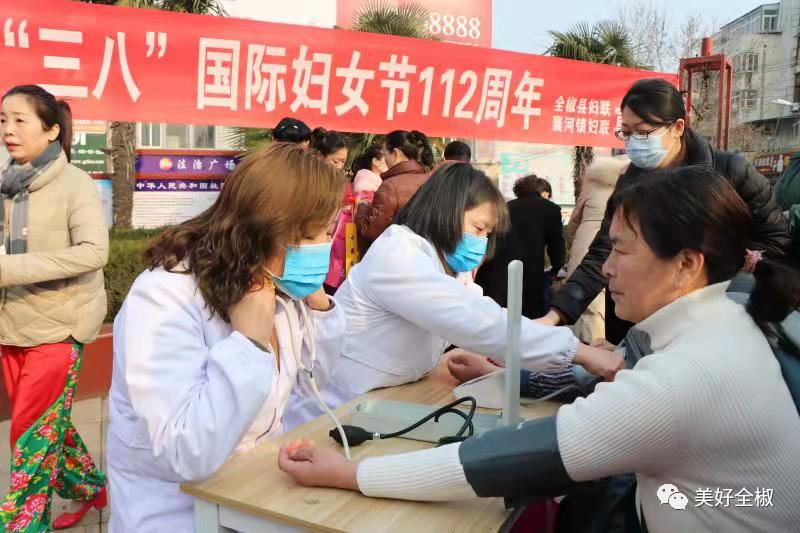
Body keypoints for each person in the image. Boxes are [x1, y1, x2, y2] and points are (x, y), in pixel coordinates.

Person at [278, 166, 800, 533]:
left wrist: (353, 476)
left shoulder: (688, 371)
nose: (606, 268)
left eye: (620, 249)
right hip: (345, 404)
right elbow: (485, 324)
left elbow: (508, 461)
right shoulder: (729, 317)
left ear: (687, 263)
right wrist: (569, 357)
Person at [107, 143, 346, 531]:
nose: (323, 246)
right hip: (175, 511)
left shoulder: (272, 284)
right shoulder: (164, 296)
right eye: (313, 233)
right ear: (266, 229)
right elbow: (186, 451)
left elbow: (314, 379)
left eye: (329, 231)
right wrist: (249, 344)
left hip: (253, 492)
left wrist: (320, 308)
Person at [284, 163, 623, 429]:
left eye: (487, 233)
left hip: (373, 403)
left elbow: (479, 310)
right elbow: (475, 320)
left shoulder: (440, 263)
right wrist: (578, 352)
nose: (481, 241)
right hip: (329, 413)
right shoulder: (399, 256)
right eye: (478, 228)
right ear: (446, 211)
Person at [542, 78, 791, 344]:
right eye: (626, 133)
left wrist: (732, 264)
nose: (633, 142)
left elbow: (779, 241)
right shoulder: (630, 182)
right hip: (642, 320)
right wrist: (556, 315)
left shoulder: (731, 172)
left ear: (678, 128)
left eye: (643, 132)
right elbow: (604, 250)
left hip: (715, 316)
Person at [0, 85, 108, 531]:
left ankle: (23, 526)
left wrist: (10, 269)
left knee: (28, 438)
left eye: (19, 120)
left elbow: (94, 252)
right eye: (3, 120)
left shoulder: (74, 184)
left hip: (59, 328)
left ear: (51, 130)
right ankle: (89, 487)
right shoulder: (6, 183)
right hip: (11, 326)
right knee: (48, 427)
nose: (8, 130)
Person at [475, 174, 566, 320]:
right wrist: (558, 268)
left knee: (495, 317)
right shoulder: (551, 209)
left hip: (495, 270)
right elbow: (556, 245)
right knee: (526, 320)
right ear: (544, 193)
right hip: (528, 273)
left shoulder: (506, 207)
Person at [565, 157, 628, 343]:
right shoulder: (631, 183)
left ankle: (587, 343)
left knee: (588, 299)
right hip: (619, 242)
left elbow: (574, 219)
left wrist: (573, 237)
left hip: (587, 241)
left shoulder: (592, 184)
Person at [355, 129, 434, 246]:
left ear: (395, 153)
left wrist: (362, 208)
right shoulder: (432, 181)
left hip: (397, 253)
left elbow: (371, 230)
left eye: (385, 154)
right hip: (428, 253)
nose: (385, 159)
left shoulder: (390, 186)